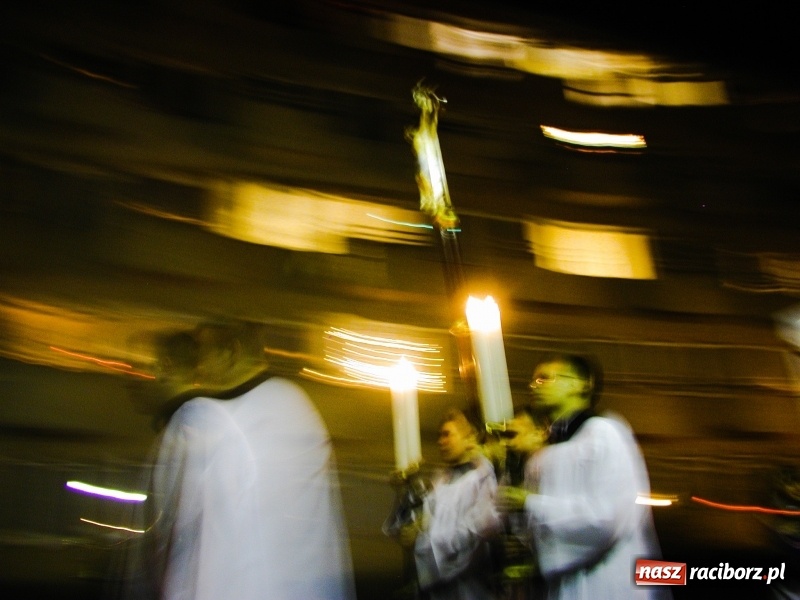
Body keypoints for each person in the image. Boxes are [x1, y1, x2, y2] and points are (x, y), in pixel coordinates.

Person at [116, 321, 356, 600]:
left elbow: (190, 541)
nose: (199, 368)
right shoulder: (295, 402)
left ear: (231, 352)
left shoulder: (210, 422)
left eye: (203, 354)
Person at [496, 354, 668, 600]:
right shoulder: (544, 454)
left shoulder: (603, 433)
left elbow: (607, 516)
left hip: (605, 583)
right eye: (534, 381)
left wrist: (531, 502)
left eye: (544, 379)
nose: (534, 386)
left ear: (580, 384)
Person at [395, 408, 503, 599]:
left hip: (471, 588)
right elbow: (420, 519)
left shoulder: (482, 478)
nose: (440, 442)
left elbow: (477, 530)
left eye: (447, 435)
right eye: (439, 436)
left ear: (469, 438)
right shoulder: (439, 480)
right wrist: (413, 527)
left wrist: (423, 539)